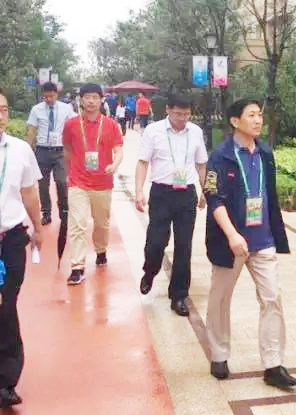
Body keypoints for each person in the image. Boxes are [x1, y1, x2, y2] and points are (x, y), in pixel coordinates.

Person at [204, 99, 296, 389]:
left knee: (272, 299)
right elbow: (213, 198)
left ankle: (273, 364)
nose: (258, 120)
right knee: (220, 299)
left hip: (263, 239)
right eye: (252, 115)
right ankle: (219, 354)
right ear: (235, 121)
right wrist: (232, 235)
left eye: (260, 115)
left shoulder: (265, 153)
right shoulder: (220, 156)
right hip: (229, 241)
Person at [136, 93, 208, 316]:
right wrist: (139, 191)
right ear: (167, 110)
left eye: (186, 114)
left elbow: (201, 164)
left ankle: (179, 295)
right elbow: (142, 162)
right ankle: (150, 271)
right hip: (161, 193)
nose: (182, 118)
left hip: (186, 194)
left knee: (184, 246)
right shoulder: (153, 131)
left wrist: (205, 191)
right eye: (178, 114)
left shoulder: (195, 132)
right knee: (156, 242)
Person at [0, 89, 43, 408]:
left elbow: (30, 192)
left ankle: (5, 381)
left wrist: (37, 227)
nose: (0, 116)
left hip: (11, 238)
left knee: (6, 304)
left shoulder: (19, 150)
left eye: (3, 110)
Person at [62, 83, 123, 285]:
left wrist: (114, 164)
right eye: (87, 97)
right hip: (78, 181)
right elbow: (67, 150)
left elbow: (118, 149)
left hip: (103, 182)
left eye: (95, 97)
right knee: (78, 224)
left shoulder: (111, 125)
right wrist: (70, 173)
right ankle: (77, 267)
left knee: (101, 223)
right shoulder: (71, 124)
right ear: (81, 100)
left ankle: (101, 249)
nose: (90, 101)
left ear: (101, 100)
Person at [25, 82, 76, 226]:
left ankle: (64, 212)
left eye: (51, 96)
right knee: (43, 185)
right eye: (45, 97)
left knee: (61, 182)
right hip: (42, 151)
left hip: (60, 151)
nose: (48, 99)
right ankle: (46, 213)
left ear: (56, 94)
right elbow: (32, 131)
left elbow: (74, 126)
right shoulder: (36, 110)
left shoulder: (66, 109)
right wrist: (27, 151)